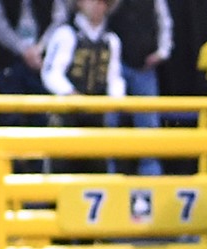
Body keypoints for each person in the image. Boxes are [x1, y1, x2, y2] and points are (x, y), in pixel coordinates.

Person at [41, 0, 122, 169]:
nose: (97, 6)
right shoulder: (65, 34)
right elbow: (50, 73)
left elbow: (114, 77)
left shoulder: (111, 40)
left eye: (103, 2)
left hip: (97, 117)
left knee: (97, 172)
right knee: (61, 170)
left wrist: (116, 99)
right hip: (66, 116)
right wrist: (70, 93)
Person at [105, 0, 171, 176]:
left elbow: (164, 21)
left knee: (148, 125)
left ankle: (151, 180)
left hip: (144, 66)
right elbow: (101, 19)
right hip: (112, 66)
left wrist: (162, 52)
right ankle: (107, 175)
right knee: (108, 122)